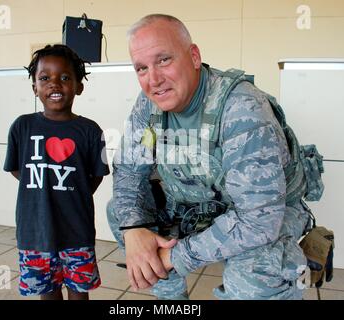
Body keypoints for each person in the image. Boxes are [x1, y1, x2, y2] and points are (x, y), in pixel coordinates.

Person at [107, 14, 311, 300]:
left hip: (266, 214)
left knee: (254, 271)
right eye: (141, 68)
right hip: (196, 206)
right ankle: (172, 299)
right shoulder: (149, 105)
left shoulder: (241, 107)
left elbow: (258, 221)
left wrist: (173, 258)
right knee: (120, 210)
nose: (153, 80)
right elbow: (128, 171)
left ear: (193, 56)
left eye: (164, 60)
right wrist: (133, 229)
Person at [4, 44, 110, 300]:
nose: (54, 84)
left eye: (64, 77)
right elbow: (18, 169)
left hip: (77, 231)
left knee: (78, 293)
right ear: (34, 87)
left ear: (78, 86)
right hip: (35, 232)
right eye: (44, 78)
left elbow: (96, 175)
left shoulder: (91, 131)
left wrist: (71, 189)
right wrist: (45, 185)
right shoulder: (22, 126)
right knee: (47, 293)